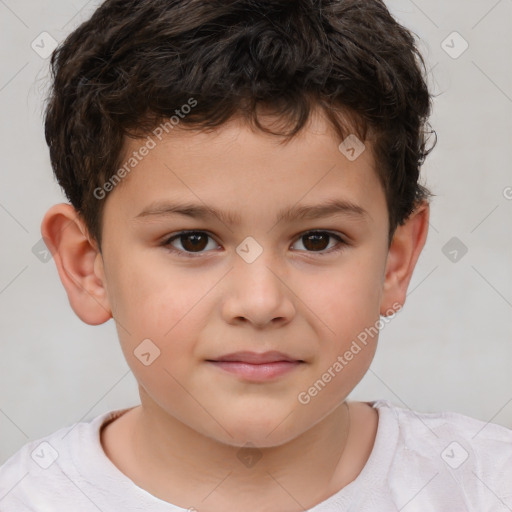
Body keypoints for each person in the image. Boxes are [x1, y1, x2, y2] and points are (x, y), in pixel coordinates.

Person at [1, 0, 510, 510]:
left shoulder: (485, 485)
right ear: (87, 266)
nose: (261, 302)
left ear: (395, 262)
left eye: (317, 240)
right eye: (192, 240)